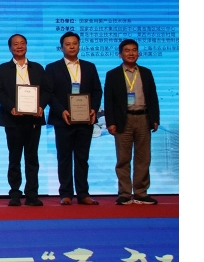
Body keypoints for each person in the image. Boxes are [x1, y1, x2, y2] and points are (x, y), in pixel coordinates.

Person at [0, 34, 50, 207]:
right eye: (15, 44)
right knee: (14, 158)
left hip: (33, 120)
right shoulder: (3, 69)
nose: (19, 46)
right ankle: (15, 193)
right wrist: (11, 107)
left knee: (32, 158)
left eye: (22, 43)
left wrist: (41, 106)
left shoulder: (37, 68)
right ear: (10, 48)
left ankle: (32, 194)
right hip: (13, 120)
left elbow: (47, 90)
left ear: (27, 46)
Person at [45, 31, 102, 206]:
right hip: (63, 119)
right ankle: (66, 193)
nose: (71, 47)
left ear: (79, 46)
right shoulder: (52, 68)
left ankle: (83, 193)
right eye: (68, 44)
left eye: (74, 43)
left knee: (82, 158)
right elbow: (49, 93)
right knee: (64, 158)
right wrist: (61, 110)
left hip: (85, 120)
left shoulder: (89, 67)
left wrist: (93, 109)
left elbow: (97, 91)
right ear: (61, 47)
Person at [104, 39, 160, 205]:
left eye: (134, 50)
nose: (131, 53)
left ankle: (141, 192)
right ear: (120, 54)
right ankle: (125, 193)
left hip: (143, 118)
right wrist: (110, 122)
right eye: (127, 50)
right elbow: (109, 101)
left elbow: (153, 97)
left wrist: (155, 119)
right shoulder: (113, 74)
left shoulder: (146, 72)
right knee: (123, 158)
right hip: (123, 120)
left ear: (138, 53)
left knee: (143, 158)